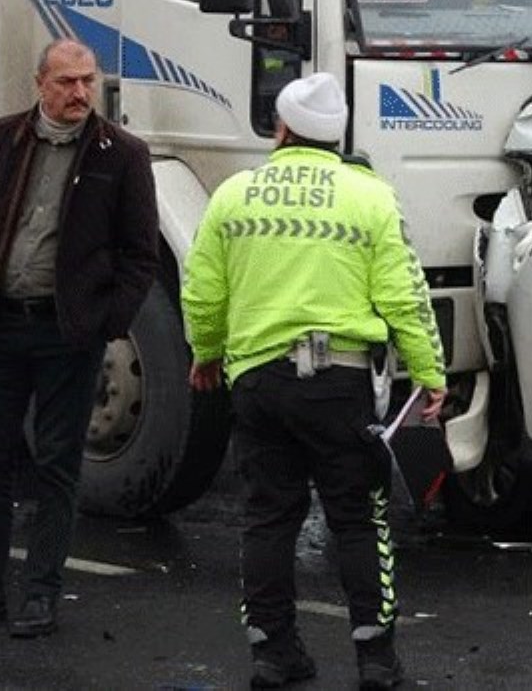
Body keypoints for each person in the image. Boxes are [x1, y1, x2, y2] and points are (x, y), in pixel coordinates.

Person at [181, 72, 445, 690]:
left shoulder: (234, 195)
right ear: (337, 135)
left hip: (258, 382)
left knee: (268, 516)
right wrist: (430, 375)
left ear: (281, 128)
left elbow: (201, 290)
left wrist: (206, 354)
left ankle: (274, 652)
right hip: (339, 385)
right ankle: (376, 660)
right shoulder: (369, 197)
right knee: (358, 516)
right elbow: (406, 297)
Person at [0, 38, 159, 638]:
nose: (79, 93)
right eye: (66, 82)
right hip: (4, 324)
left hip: (69, 333)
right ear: (40, 83)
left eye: (88, 80)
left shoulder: (122, 154)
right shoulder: (5, 139)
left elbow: (140, 256)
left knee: (58, 467)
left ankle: (41, 594)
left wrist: (106, 321)